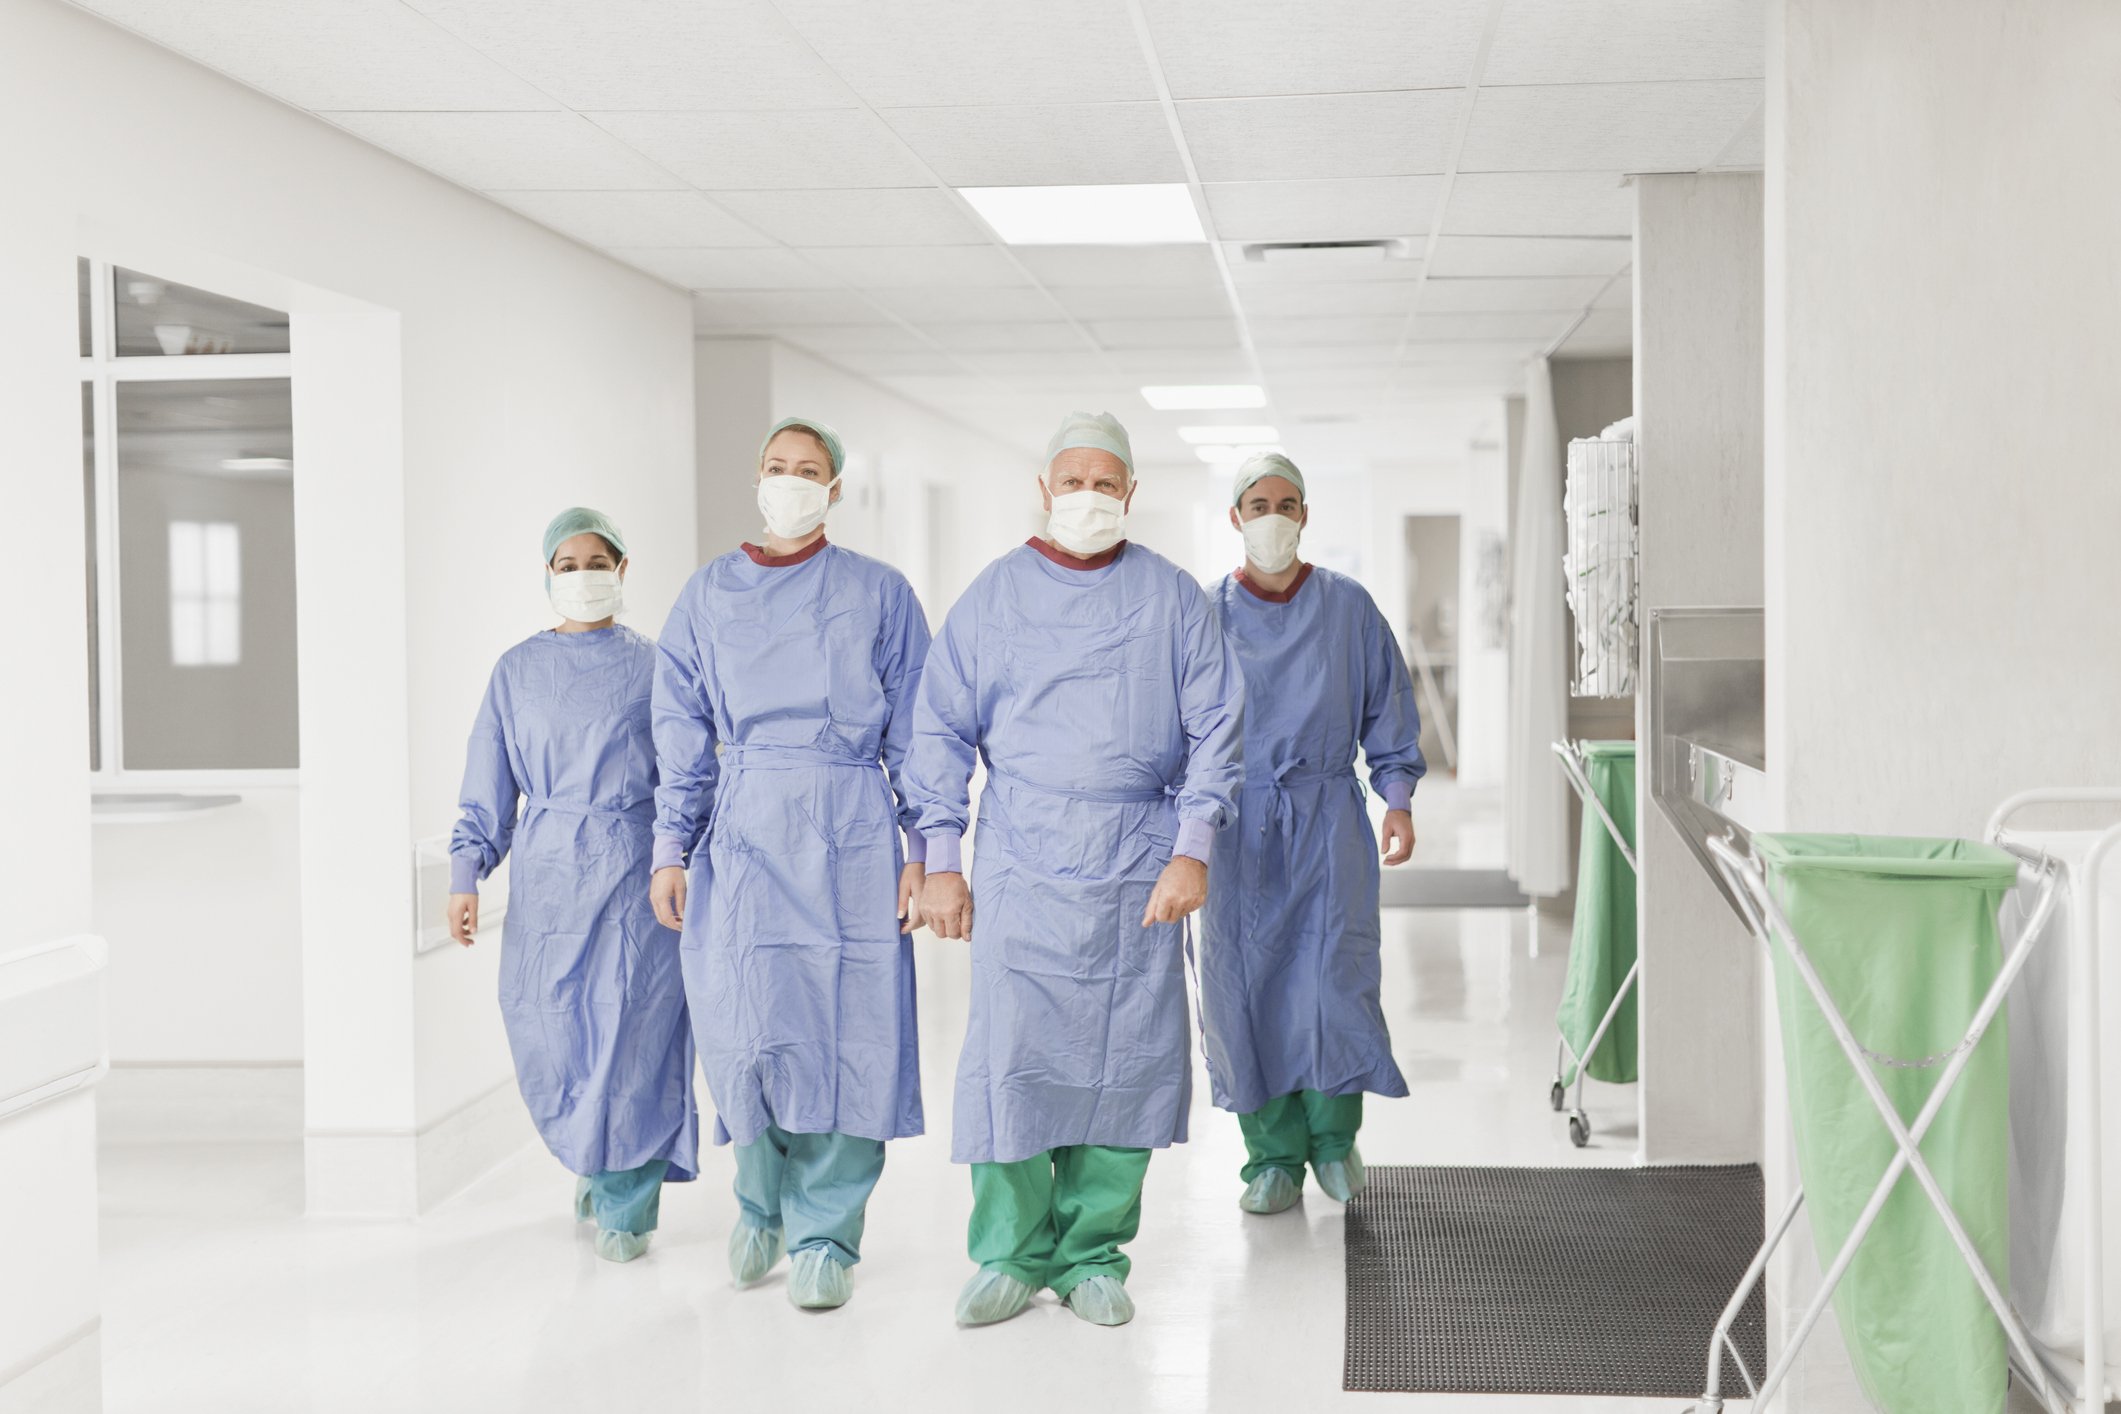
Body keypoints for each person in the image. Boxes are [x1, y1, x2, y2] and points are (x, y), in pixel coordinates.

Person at [910, 410, 1244, 1329]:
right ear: (1043, 490)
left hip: (1136, 857)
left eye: (1106, 483)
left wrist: (1191, 848)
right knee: (1013, 1060)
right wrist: (940, 860)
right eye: (1073, 482)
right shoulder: (993, 598)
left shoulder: (1174, 599)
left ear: (1131, 494)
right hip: (1021, 855)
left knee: (1122, 1061)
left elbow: (1217, 728)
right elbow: (937, 729)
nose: (1088, 499)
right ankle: (1009, 1254)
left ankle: (1094, 1253)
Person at [649, 416, 930, 1312]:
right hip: (741, 834)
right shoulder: (705, 597)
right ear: (756, 477)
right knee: (745, 1029)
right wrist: (669, 848)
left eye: (810, 470)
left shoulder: (879, 595)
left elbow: (917, 734)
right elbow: (681, 735)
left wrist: (925, 850)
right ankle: (758, 1203)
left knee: (850, 1033)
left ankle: (824, 1234)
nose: (792, 481)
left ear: (835, 489)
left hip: (849, 828)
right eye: (777, 466)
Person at [445, 507, 699, 1264]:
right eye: (566, 564)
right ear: (546, 574)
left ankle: (628, 1198)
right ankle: (596, 1158)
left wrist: (676, 854)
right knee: (551, 1030)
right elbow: (489, 779)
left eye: (596, 561)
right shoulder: (515, 672)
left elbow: (688, 773)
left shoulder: (658, 668)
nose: (581, 575)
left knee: (633, 1036)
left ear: (622, 571)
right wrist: (466, 870)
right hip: (550, 872)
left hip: (634, 872)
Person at [1200, 453, 1423, 1217]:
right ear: (1234, 516)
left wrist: (1395, 797)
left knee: (1332, 984)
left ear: (1304, 515)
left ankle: (1332, 1142)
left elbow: (1386, 709)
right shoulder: (1205, 615)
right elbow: (1180, 730)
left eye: (1286, 503)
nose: (1272, 516)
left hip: (1326, 816)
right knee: (1245, 991)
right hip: (1235, 829)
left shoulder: (1347, 608)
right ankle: (1269, 1157)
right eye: (1256, 503)